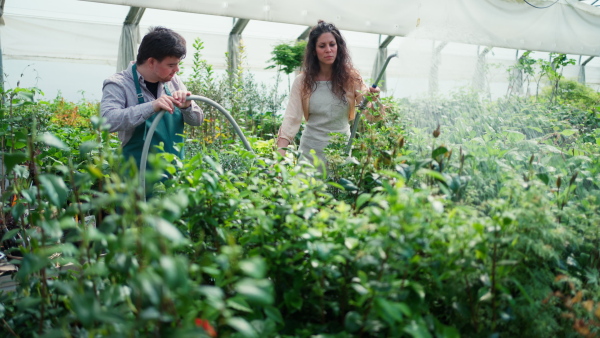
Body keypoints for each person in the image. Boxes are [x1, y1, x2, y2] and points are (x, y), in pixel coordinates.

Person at [276, 20, 383, 171]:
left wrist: (375, 99)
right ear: (314, 50)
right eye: (322, 46)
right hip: (310, 154)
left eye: (332, 44)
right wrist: (279, 160)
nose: (328, 50)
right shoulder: (302, 82)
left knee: (338, 192)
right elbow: (291, 120)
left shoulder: (352, 79)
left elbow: (371, 115)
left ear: (339, 47)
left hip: (340, 154)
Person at [101, 26, 204, 170]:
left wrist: (187, 107)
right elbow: (107, 121)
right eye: (171, 65)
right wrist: (151, 106)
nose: (177, 69)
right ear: (151, 62)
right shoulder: (119, 84)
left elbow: (197, 121)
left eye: (178, 64)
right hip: (137, 173)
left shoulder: (174, 81)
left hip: (174, 171)